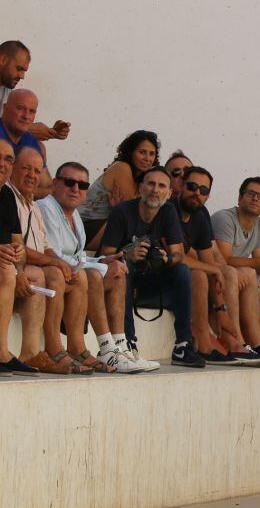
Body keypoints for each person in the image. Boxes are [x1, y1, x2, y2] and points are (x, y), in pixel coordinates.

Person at [40, 162, 143, 373]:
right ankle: (105, 348)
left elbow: (77, 258)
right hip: (50, 274)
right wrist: (99, 267)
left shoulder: (74, 215)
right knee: (94, 277)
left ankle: (119, 346)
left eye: (82, 185)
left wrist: (103, 262)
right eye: (69, 182)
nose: (75, 189)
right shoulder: (46, 207)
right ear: (55, 184)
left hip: (69, 273)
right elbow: (52, 254)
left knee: (117, 271)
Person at [99, 166, 205, 368]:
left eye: (161, 185)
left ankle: (183, 345)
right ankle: (128, 342)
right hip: (121, 281)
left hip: (150, 280)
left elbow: (178, 254)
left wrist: (166, 259)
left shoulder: (168, 210)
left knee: (182, 270)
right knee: (123, 266)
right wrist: (128, 255)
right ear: (140, 188)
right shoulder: (122, 211)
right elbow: (104, 256)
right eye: (150, 183)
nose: (155, 190)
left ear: (169, 192)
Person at [173, 166, 260, 365]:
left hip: (202, 274)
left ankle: (256, 345)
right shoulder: (173, 210)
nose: (197, 193)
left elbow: (212, 257)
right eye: (192, 186)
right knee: (209, 274)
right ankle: (236, 342)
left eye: (203, 190)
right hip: (165, 278)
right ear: (180, 185)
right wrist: (218, 272)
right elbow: (178, 255)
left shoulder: (200, 213)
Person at [9, 147, 68, 373]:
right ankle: (31, 353)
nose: (32, 175)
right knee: (43, 273)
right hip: (15, 270)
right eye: (26, 168)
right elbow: (19, 248)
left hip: (29, 269)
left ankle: (60, 348)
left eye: (36, 171)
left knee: (76, 276)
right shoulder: (7, 197)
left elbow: (44, 246)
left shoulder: (33, 204)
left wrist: (60, 262)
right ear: (13, 168)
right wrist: (51, 262)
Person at [212, 177, 260, 321]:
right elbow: (224, 260)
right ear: (240, 198)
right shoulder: (224, 218)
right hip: (217, 277)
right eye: (250, 194)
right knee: (243, 274)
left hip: (239, 277)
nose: (255, 199)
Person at [82, 130, 160, 252]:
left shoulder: (141, 179)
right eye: (142, 152)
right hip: (87, 227)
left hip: (107, 226)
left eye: (152, 154)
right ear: (131, 152)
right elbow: (134, 214)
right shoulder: (122, 168)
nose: (147, 158)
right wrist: (121, 210)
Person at [0, 139, 34, 374]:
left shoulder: (7, 196)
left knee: (32, 276)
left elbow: (16, 242)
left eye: (8, 159)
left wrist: (19, 253)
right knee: (6, 272)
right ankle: (1, 352)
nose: (2, 164)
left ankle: (29, 352)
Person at [0, 41, 71, 140]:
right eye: (19, 69)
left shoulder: (6, 88)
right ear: (3, 60)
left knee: (36, 149)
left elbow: (6, 129)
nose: (21, 76)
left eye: (24, 71)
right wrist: (25, 129)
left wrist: (50, 132)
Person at [0, 89, 52, 198]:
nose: (26, 116)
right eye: (20, 108)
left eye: (32, 111)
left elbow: (47, 185)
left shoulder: (31, 140)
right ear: (5, 108)